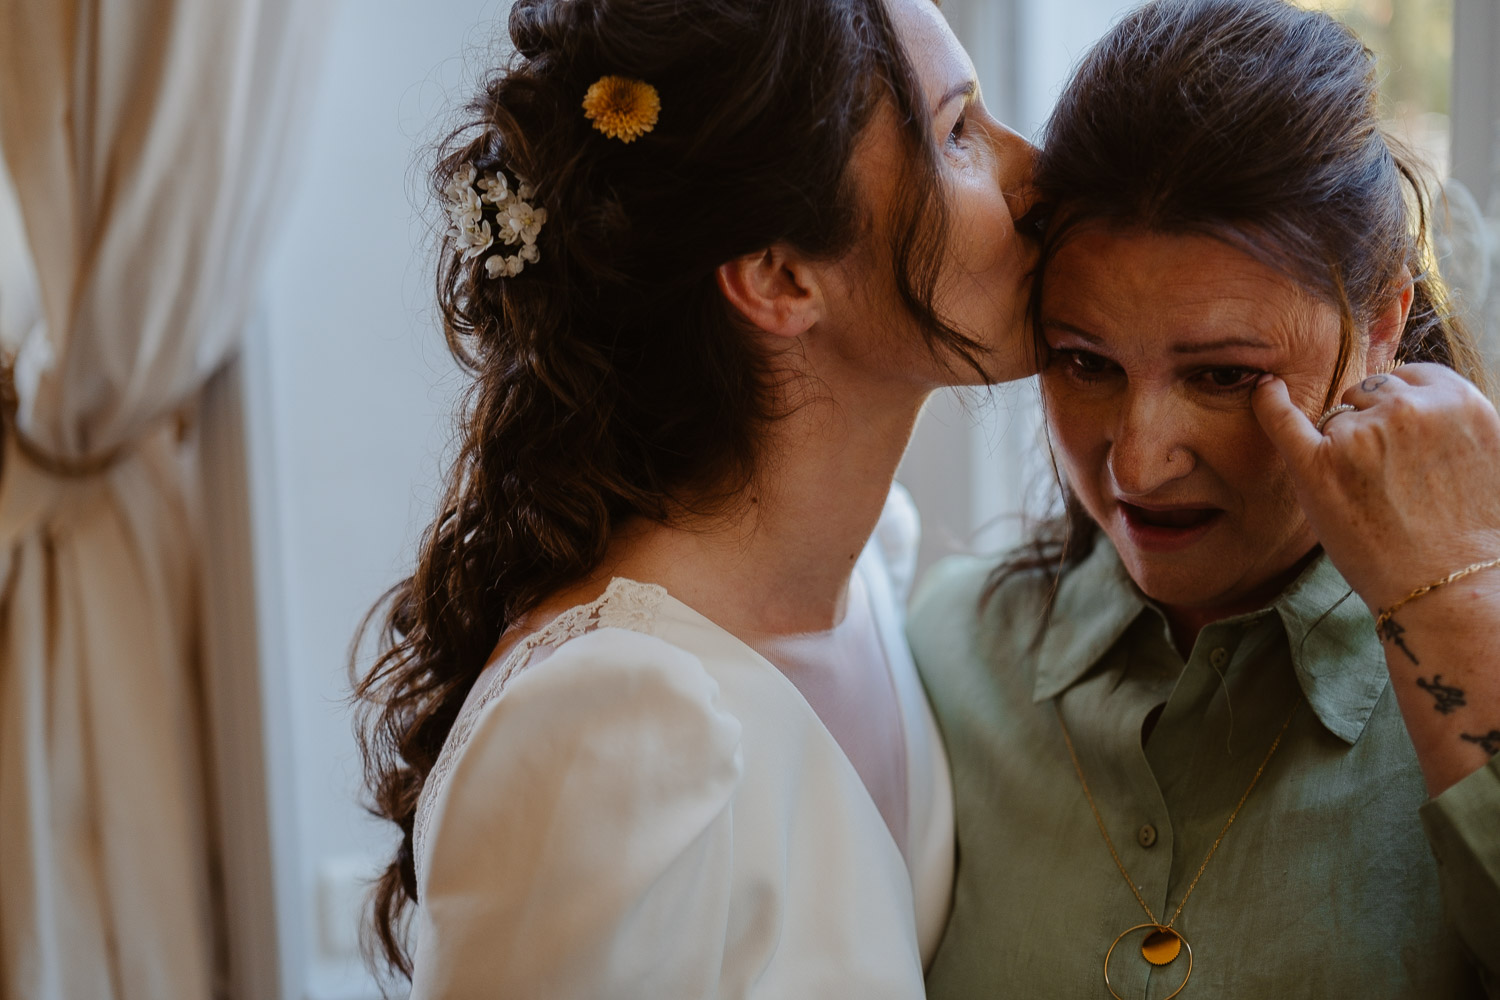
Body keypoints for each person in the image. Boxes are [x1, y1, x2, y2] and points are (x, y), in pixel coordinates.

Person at [351, 0, 1039, 994]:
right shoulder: (613, 726)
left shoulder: (863, 582)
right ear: (779, 275)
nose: (1036, 171)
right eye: (959, 132)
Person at [912, 0, 1500, 997]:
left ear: (1386, 322)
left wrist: (1455, 603)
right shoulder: (944, 658)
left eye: (1225, 376)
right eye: (1083, 361)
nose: (1137, 467)